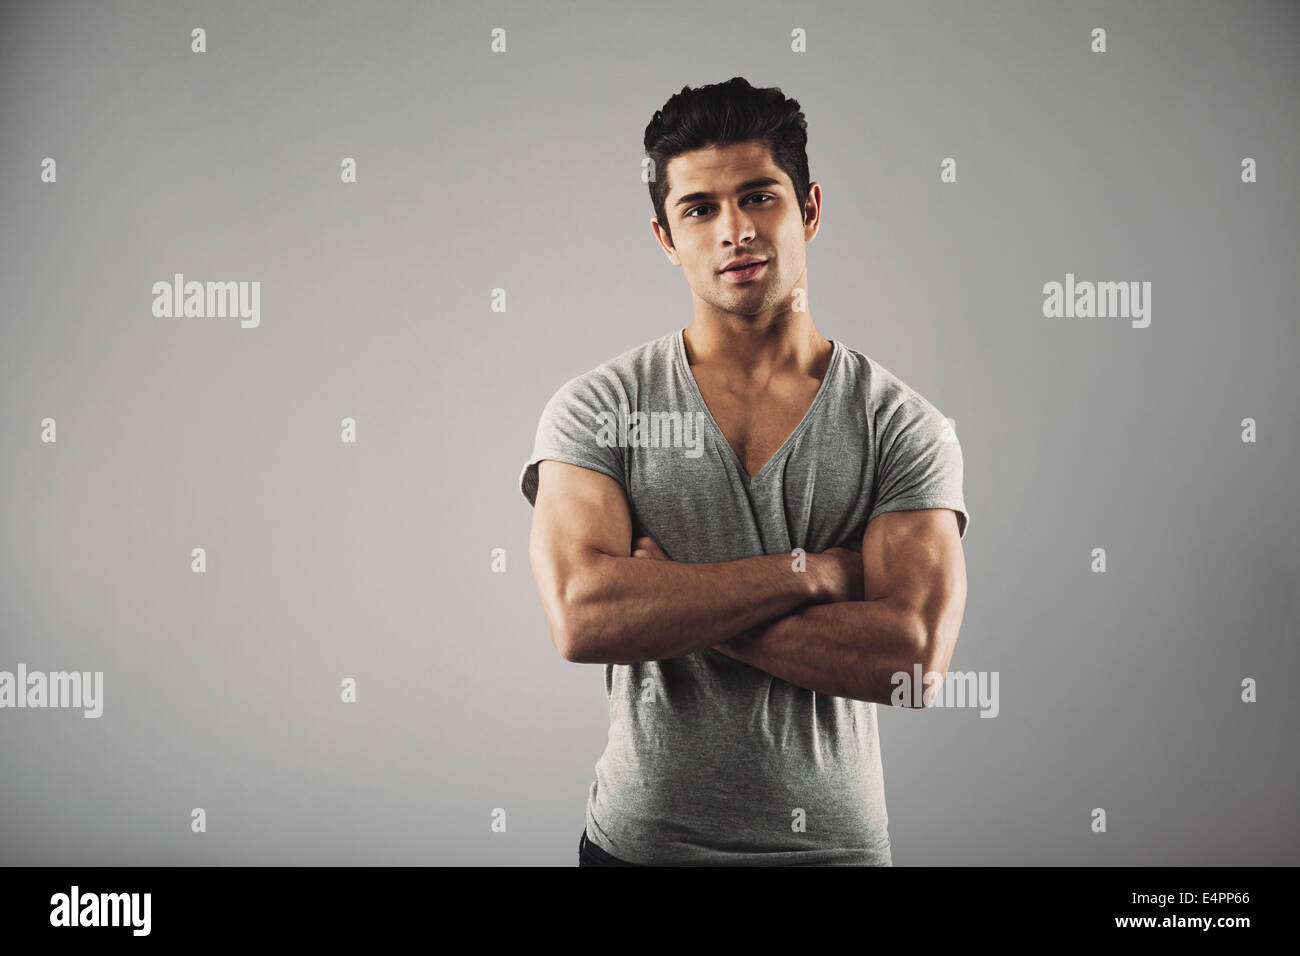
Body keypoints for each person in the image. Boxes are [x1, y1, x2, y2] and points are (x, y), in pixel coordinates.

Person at [521, 77, 970, 866]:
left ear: (811, 209)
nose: (736, 231)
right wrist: (811, 576)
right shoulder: (600, 407)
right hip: (640, 850)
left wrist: (675, 600)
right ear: (665, 236)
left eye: (760, 197)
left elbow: (910, 661)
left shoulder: (900, 424)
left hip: (834, 853)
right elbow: (584, 618)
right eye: (699, 208)